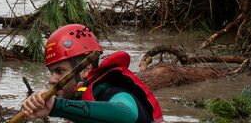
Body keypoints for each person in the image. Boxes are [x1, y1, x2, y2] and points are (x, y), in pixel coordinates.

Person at [21, 24, 164, 123]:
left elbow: (127, 113)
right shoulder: (80, 94)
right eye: (51, 72)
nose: (52, 80)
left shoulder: (111, 91)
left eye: (59, 71)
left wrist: (56, 106)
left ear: (85, 69)